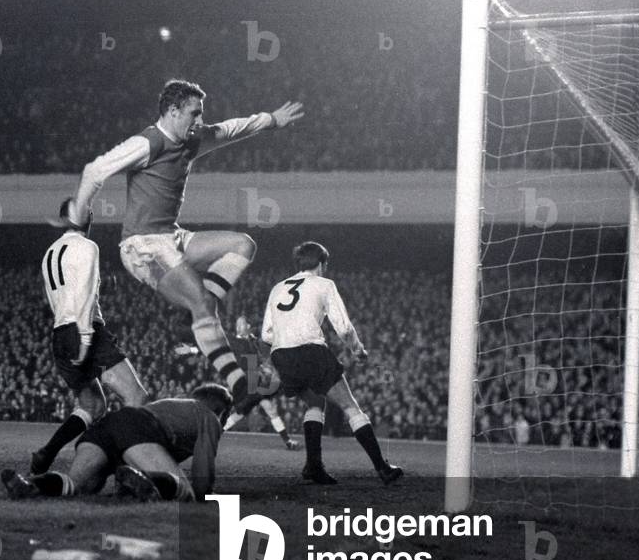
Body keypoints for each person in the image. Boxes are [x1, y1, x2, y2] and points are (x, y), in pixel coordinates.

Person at [67, 80, 304, 410]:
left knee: (242, 245)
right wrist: (79, 222)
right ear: (173, 111)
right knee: (203, 306)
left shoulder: (193, 138)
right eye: (194, 114)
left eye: (201, 114)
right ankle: (239, 385)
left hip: (173, 237)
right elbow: (94, 171)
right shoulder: (149, 141)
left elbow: (233, 129)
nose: (200, 121)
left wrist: (271, 119)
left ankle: (195, 314)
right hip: (142, 246)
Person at [261, 241, 402, 486]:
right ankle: (383, 468)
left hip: (281, 355)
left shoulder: (277, 288)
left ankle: (313, 466)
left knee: (315, 402)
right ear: (322, 263)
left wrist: (288, 338)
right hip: (311, 351)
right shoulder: (324, 284)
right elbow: (344, 327)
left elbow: (266, 334)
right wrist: (359, 351)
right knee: (350, 407)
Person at [30, 199, 149, 474]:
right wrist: (85, 337)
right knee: (137, 398)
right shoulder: (87, 246)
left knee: (93, 405)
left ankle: (47, 452)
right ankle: (122, 467)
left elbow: (60, 298)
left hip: (60, 333)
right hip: (84, 331)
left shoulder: (50, 252)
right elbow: (84, 294)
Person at [1, 383, 232, 502]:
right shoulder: (209, 417)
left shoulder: (175, 405)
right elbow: (203, 472)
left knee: (80, 485)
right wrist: (203, 495)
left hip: (107, 426)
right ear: (220, 412)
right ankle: (142, 478)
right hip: (137, 428)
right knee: (185, 492)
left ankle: (31, 484)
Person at [222, 316, 299, 450]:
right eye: (237, 325)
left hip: (257, 382)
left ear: (248, 326)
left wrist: (265, 367)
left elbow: (261, 357)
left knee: (267, 410)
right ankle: (288, 441)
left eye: (241, 324)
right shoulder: (234, 341)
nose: (238, 327)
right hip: (246, 382)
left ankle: (288, 441)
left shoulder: (255, 341)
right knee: (243, 411)